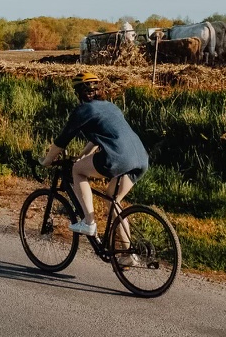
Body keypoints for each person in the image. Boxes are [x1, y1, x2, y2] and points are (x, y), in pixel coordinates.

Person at [38, 71, 149, 238]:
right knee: (112, 201)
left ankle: (89, 223)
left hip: (117, 158)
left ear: (78, 93)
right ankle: (129, 254)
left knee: (77, 170)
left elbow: (62, 140)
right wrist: (83, 155)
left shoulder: (83, 110)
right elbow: (99, 138)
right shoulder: (111, 106)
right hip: (140, 159)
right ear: (99, 89)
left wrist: (47, 160)